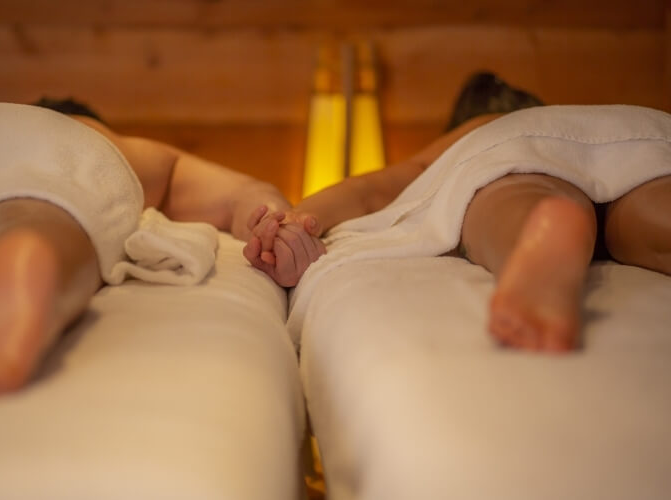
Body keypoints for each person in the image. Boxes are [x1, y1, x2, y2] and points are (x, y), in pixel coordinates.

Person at [0, 98, 293, 407]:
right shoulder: (99, 136)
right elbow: (246, 196)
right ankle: (22, 257)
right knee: (33, 209)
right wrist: (272, 220)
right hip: (53, 148)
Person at [244, 73, 671, 353]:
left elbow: (368, 189)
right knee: (641, 208)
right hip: (635, 138)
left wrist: (297, 218)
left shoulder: (480, 133)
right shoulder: (576, 120)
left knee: (514, 193)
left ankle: (537, 237)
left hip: (511, 157)